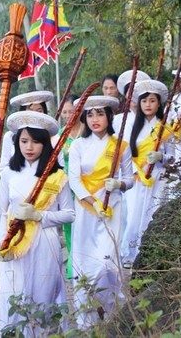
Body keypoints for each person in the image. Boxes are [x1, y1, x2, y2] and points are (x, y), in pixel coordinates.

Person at [0, 111, 74, 336]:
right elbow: (0, 211)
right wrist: (2, 243)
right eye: (24, 141)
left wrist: (41, 216)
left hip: (45, 244)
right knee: (15, 299)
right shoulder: (9, 173)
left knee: (43, 301)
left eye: (36, 141)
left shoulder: (57, 176)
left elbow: (70, 214)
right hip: (14, 244)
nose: (29, 147)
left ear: (45, 144)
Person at [67, 95, 133, 328]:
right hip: (86, 209)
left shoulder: (120, 146)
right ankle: (87, 319)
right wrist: (93, 202)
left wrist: (120, 185)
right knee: (85, 263)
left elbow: (129, 178)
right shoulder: (77, 145)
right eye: (90, 114)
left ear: (109, 116)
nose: (95, 119)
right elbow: (74, 180)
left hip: (112, 209)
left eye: (100, 114)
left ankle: (114, 312)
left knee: (108, 263)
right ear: (84, 118)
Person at [121, 80, 174, 268]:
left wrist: (161, 157)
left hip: (158, 179)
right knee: (134, 216)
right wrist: (136, 171)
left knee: (153, 214)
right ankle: (130, 254)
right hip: (137, 179)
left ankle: (151, 254)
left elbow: (174, 158)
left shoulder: (165, 127)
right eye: (144, 101)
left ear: (159, 103)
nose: (148, 105)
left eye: (152, 101)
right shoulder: (131, 127)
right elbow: (125, 156)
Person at [0, 91, 54, 176]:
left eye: (39, 111)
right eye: (24, 141)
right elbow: (4, 167)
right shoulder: (10, 136)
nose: (35, 114)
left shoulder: (53, 137)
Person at [58, 94, 83, 279]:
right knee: (69, 227)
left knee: (84, 225)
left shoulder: (86, 131)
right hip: (66, 188)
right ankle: (72, 266)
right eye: (65, 112)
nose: (68, 115)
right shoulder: (60, 135)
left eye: (71, 111)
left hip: (86, 185)